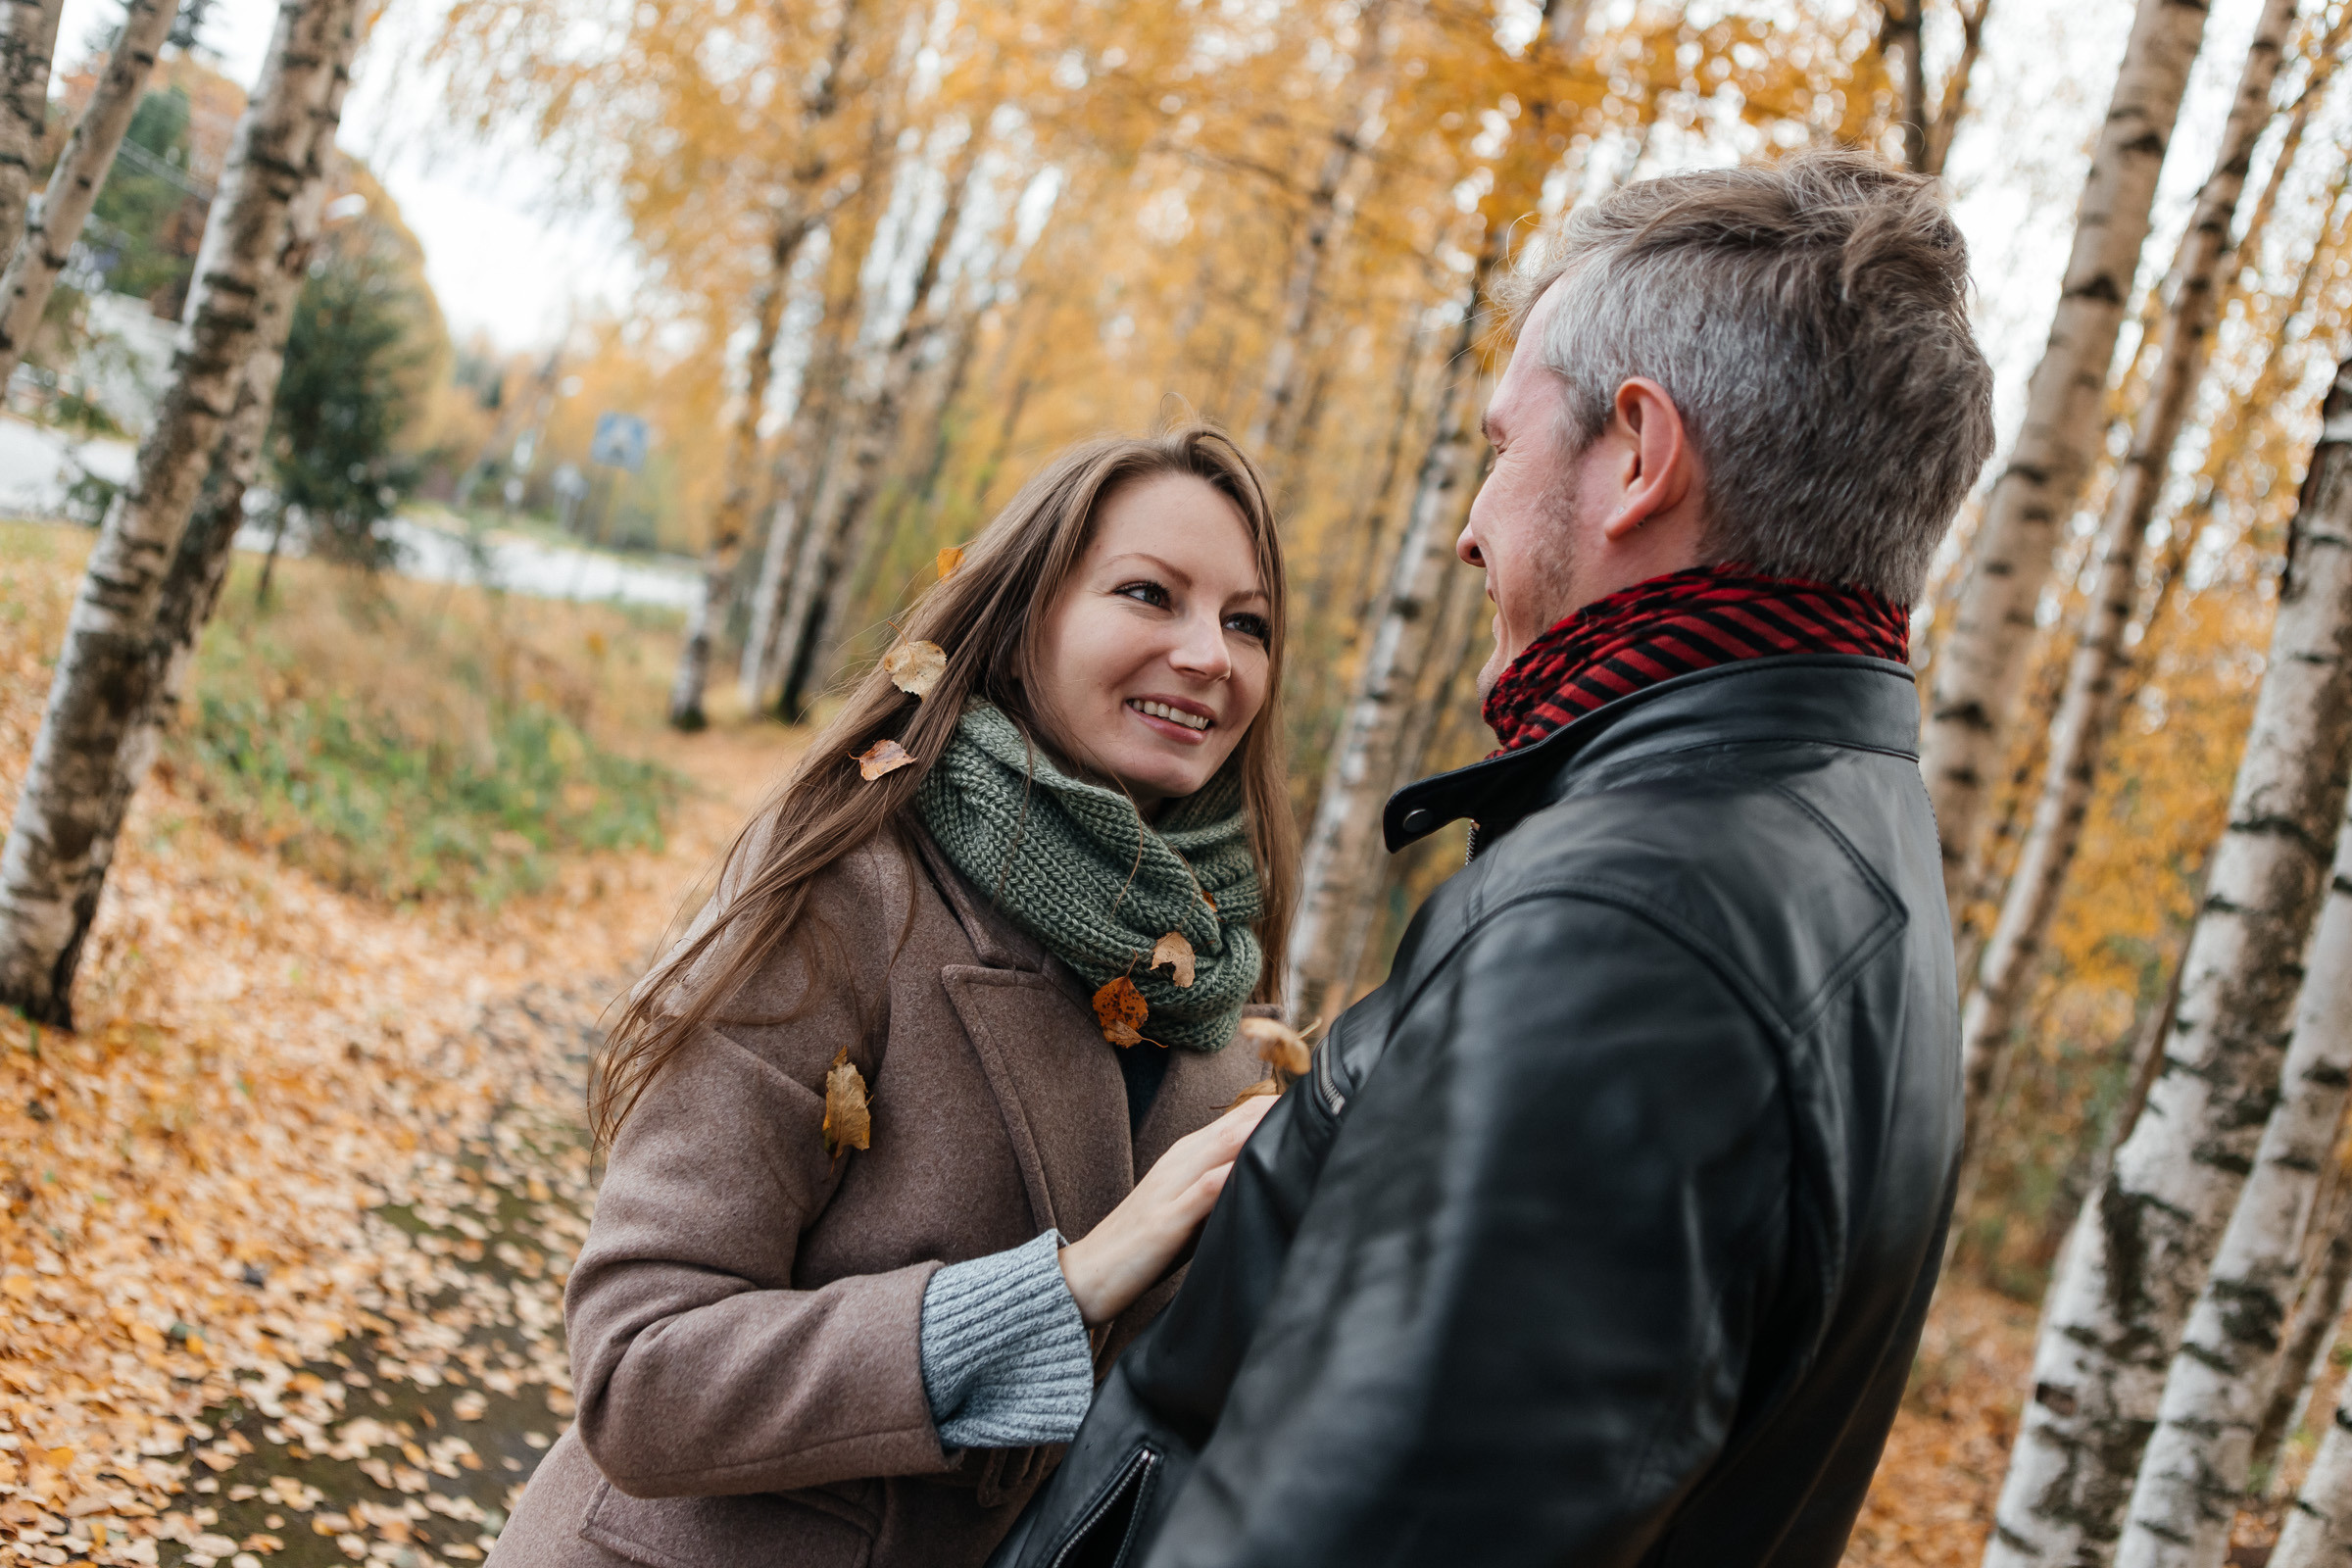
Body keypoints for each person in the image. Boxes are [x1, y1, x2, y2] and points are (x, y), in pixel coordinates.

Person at [991, 149, 1994, 1568]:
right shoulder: (1845, 843)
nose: (1470, 526)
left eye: (1502, 447)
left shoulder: (1631, 931)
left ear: (1637, 460)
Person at [489, 427, 1297, 1568]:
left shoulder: (1223, 1007)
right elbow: (638, 1371)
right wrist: (1060, 1291)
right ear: (1023, 630)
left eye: (1247, 621)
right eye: (1148, 594)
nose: (1210, 653)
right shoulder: (851, 892)